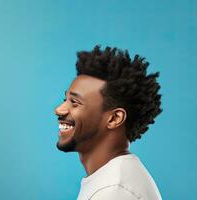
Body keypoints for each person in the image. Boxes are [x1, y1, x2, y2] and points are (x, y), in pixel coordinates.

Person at [54, 46, 163, 200]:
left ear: (114, 118)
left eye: (75, 102)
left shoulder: (114, 192)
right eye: (65, 99)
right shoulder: (110, 180)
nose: (58, 110)